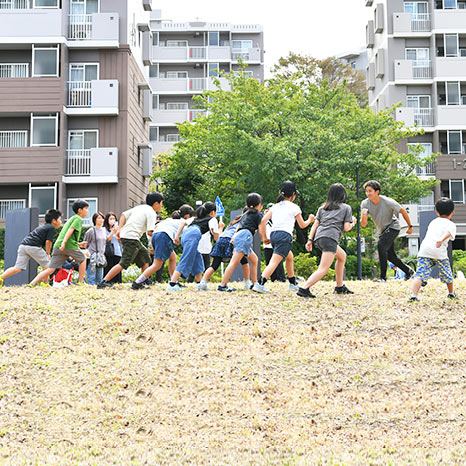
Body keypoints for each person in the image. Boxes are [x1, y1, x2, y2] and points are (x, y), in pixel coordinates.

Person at [254, 181, 314, 294]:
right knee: (274, 261)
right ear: (293, 195)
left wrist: (264, 237)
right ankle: (260, 283)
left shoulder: (275, 207)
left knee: (289, 257)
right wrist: (310, 220)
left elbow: (262, 222)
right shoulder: (294, 207)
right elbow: (302, 225)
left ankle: (292, 283)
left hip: (274, 235)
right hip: (284, 235)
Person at [297, 183, 356, 298]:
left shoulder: (322, 208)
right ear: (343, 195)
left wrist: (309, 240)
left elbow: (315, 225)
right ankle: (304, 289)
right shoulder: (346, 208)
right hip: (330, 238)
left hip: (319, 238)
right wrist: (353, 222)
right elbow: (347, 228)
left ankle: (339, 287)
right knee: (323, 269)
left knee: (342, 256)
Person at [97, 192, 164, 288]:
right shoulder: (152, 213)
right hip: (131, 238)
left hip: (128, 236)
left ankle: (145, 280)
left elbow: (123, 214)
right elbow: (150, 232)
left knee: (144, 255)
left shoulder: (140, 207)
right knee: (124, 262)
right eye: (161, 203)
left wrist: (119, 229)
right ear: (156, 203)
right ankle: (104, 282)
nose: (161, 206)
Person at [361, 180, 414, 282]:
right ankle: (408, 271)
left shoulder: (387, 201)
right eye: (366, 191)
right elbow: (363, 224)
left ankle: (383, 277)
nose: (368, 194)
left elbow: (402, 211)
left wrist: (410, 226)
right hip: (383, 230)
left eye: (370, 191)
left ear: (377, 192)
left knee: (381, 246)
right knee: (391, 256)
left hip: (393, 226)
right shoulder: (365, 203)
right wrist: (363, 215)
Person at [131, 204, 195, 290]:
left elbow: (156, 226)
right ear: (188, 216)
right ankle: (137, 282)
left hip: (156, 235)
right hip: (164, 236)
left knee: (173, 257)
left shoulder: (169, 219)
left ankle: (174, 281)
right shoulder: (184, 221)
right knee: (157, 265)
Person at [30, 200, 89, 285]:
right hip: (67, 246)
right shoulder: (78, 218)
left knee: (51, 269)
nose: (87, 211)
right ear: (80, 210)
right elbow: (70, 230)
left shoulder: (72, 218)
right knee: (83, 259)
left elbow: (67, 235)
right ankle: (81, 282)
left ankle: (32, 283)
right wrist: (64, 243)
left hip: (58, 245)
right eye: (86, 209)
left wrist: (78, 244)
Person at [410, 198, 457, 301]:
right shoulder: (451, 224)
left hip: (425, 250)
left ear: (437, 212)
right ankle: (451, 293)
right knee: (447, 273)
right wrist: (441, 240)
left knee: (420, 274)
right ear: (452, 212)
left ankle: (414, 295)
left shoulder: (433, 222)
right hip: (439, 251)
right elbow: (448, 232)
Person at [167, 202, 221, 291]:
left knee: (197, 258)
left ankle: (200, 284)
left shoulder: (195, 218)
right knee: (186, 258)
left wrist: (177, 236)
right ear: (212, 212)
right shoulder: (213, 219)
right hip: (194, 234)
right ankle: (172, 284)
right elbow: (216, 236)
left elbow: (183, 223)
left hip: (186, 234)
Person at [217, 193, 264, 292]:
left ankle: (255, 284)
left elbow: (239, 226)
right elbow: (261, 229)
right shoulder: (258, 214)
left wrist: (234, 236)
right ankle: (222, 285)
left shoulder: (245, 214)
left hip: (240, 236)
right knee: (234, 262)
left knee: (254, 259)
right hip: (245, 237)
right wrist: (265, 238)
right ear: (259, 204)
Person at [1, 209, 62, 284]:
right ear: (54, 221)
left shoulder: (43, 227)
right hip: (33, 247)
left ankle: (1, 278)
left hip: (23, 246)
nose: (61, 222)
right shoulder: (51, 228)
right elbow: (48, 241)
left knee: (17, 268)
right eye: (60, 219)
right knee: (48, 267)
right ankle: (43, 284)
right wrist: (48, 253)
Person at [197, 214, 251, 291]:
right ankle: (247, 283)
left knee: (214, 265)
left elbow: (221, 235)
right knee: (244, 262)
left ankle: (203, 283)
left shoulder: (231, 225)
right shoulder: (243, 225)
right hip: (231, 241)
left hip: (220, 240)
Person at [82, 212, 107, 285]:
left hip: (101, 255)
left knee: (100, 276)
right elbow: (86, 243)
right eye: (99, 218)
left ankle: (98, 289)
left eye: (102, 218)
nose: (101, 220)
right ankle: (91, 289)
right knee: (91, 275)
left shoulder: (104, 230)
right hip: (93, 255)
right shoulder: (91, 230)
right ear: (94, 220)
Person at [263, 203, 286, 282]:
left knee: (278, 262)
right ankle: (273, 278)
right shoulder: (264, 220)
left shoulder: (278, 219)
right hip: (267, 244)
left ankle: (281, 278)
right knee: (269, 261)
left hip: (276, 243)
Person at [103, 212, 122, 284]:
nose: (112, 220)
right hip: (109, 252)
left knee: (117, 269)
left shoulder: (117, 229)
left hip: (118, 252)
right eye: (110, 218)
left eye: (114, 219)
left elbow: (120, 241)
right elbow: (107, 239)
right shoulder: (104, 229)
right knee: (109, 268)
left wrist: (117, 232)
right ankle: (108, 282)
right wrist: (113, 232)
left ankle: (117, 283)